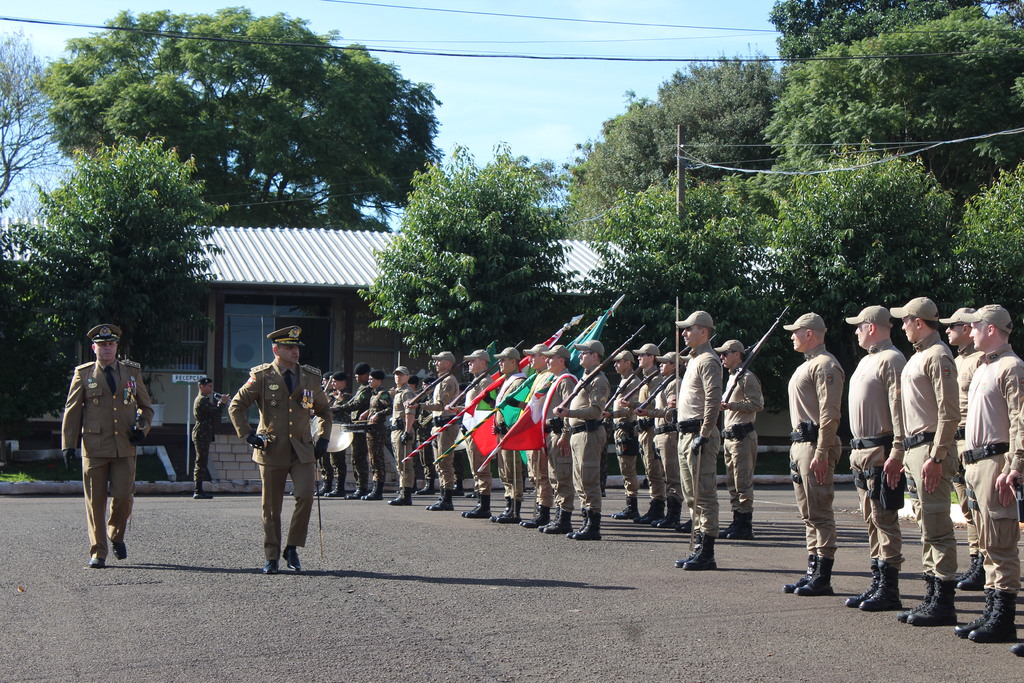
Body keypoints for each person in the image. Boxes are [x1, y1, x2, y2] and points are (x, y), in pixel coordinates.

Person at [228, 326, 330, 574]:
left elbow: (324, 411)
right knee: (272, 507)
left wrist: (323, 438)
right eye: (289, 347)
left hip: (303, 449)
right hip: (271, 447)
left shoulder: (310, 376)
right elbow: (236, 406)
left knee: (305, 495)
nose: (295, 351)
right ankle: (271, 555)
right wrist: (248, 434)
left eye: (297, 347)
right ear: (276, 349)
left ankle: (292, 546)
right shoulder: (262, 376)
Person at [891, 297, 960, 626]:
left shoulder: (938, 355)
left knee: (937, 527)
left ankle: (943, 602)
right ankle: (932, 594)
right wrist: (907, 453)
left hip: (932, 449)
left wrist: (936, 456)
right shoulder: (918, 357)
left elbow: (949, 413)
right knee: (925, 526)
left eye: (905, 321)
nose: (902, 327)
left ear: (918, 321)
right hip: (917, 449)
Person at [62, 324, 153, 569]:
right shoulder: (84, 374)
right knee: (95, 502)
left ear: (116, 347)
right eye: (102, 345)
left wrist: (142, 430)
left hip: (125, 446)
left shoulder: (131, 373)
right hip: (95, 447)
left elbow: (146, 407)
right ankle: (98, 551)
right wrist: (68, 445)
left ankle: (116, 534)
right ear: (94, 348)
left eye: (110, 344)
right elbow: (72, 412)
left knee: (123, 497)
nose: (106, 349)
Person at [958, 305, 1023, 645]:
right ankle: (991, 609)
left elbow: (1020, 422)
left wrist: (1015, 466)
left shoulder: (1011, 367)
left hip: (998, 464)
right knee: (986, 545)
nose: (970, 332)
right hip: (977, 465)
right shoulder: (986, 366)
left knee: (1001, 544)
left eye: (975, 327)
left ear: (992, 328)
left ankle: (1003, 619)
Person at [842, 307, 906, 611]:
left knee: (884, 519)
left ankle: (889, 589)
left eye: (858, 327)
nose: (855, 332)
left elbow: (899, 411)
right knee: (871, 520)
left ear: (871, 327)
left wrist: (897, 451)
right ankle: (877, 582)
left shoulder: (892, 359)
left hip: (881, 450)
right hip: (862, 451)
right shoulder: (868, 359)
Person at [781, 312, 844, 595]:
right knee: (808, 514)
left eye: (796, 331)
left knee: (820, 512)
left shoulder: (825, 365)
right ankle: (812, 570)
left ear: (809, 333)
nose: (792, 336)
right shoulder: (807, 365)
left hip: (814, 444)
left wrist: (822, 451)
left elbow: (830, 414)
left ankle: (823, 576)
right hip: (800, 445)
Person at [941, 308, 987, 591]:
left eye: (953, 325)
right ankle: (975, 561)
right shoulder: (956, 360)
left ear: (968, 328)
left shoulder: (981, 360)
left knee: (979, 507)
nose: (948, 330)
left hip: (973, 441)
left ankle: (984, 562)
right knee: (967, 506)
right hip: (955, 442)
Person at [674, 311, 723, 571]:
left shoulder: (708, 360)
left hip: (698, 434)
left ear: (703, 331)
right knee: (691, 496)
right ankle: (697, 547)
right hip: (686, 433)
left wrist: (704, 434)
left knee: (704, 494)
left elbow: (713, 401)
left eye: (688, 329)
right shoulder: (694, 359)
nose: (683, 333)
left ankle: (707, 552)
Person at [556, 340, 610, 540]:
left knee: (589, 478)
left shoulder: (599, 380)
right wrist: (567, 429)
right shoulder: (585, 377)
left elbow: (596, 411)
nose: (579, 357)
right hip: (577, 433)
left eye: (584, 353)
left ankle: (593, 525)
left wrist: (569, 412)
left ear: (595, 355)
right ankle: (585, 520)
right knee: (579, 479)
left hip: (589, 433)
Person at [716, 340, 764, 540]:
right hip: (730, 437)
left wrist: (731, 405)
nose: (722, 357)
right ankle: (737, 519)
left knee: (743, 481)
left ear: (737, 354)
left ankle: (745, 524)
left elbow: (757, 404)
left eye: (725, 354)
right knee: (732, 482)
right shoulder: (733, 377)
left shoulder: (747, 378)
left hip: (742, 435)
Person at [636, 352, 686, 531]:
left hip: (669, 434)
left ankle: (673, 515)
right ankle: (663, 512)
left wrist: (650, 413)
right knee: (662, 475)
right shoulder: (666, 383)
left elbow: (671, 411)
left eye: (665, 363)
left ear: (674, 365)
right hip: (660, 434)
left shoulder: (675, 383)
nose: (661, 365)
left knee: (672, 477)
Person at [538, 345, 578, 535]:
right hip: (551, 433)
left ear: (561, 360)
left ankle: (564, 519)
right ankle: (559, 515)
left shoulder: (566, 381)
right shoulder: (555, 380)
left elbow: (568, 411)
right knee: (554, 476)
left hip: (559, 433)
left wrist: (565, 434)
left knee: (562, 476)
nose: (547, 361)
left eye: (550, 358)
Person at [627, 343, 667, 525]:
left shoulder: (656, 379)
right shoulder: (646, 378)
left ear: (652, 357)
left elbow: (654, 407)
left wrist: (634, 406)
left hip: (651, 428)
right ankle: (655, 505)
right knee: (650, 470)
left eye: (642, 355)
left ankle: (658, 507)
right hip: (643, 429)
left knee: (655, 470)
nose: (639, 359)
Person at [414, 352, 460, 511]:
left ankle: (447, 498)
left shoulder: (448, 381)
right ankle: (442, 496)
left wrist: (421, 406)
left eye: (439, 361)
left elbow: (441, 405)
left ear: (448, 363)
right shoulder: (441, 380)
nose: (436, 364)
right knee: (439, 463)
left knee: (444, 463)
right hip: (437, 425)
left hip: (445, 425)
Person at [490, 347, 529, 524]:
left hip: (511, 432)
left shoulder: (519, 381)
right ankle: (508, 504)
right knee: (504, 470)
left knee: (513, 470)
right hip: (502, 431)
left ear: (514, 362)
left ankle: (515, 508)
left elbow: (515, 410)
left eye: (503, 360)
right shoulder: (506, 381)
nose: (500, 363)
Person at [520, 344, 555, 529]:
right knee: (534, 475)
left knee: (542, 475)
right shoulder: (537, 376)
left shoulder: (549, 377)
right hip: (532, 430)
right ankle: (541, 511)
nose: (530, 359)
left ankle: (545, 512)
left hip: (540, 431)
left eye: (534, 356)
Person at [608, 351, 642, 521]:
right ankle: (630, 504)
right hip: (619, 429)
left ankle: (632, 506)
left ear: (628, 363)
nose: (615, 365)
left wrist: (611, 415)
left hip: (627, 430)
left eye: (619, 362)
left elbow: (630, 408)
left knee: (628, 470)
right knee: (624, 469)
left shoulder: (633, 382)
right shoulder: (625, 381)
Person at [461, 349, 496, 519]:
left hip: (480, 429)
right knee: (476, 467)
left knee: (482, 467)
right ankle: (480, 502)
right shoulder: (476, 381)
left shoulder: (486, 382)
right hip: (471, 428)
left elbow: (488, 408)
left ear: (483, 362)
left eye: (472, 361)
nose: (469, 364)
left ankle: (484, 506)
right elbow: (473, 407)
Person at [332, 363, 372, 499]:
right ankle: (359, 487)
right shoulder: (361, 388)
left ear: (365, 375)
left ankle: (362, 488)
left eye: (358, 375)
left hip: (362, 428)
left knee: (360, 458)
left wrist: (338, 408)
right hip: (356, 427)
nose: (356, 378)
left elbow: (356, 404)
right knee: (356, 459)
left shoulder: (367, 389)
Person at [192, 377, 228, 500]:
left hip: (204, 433)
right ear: (202, 386)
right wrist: (222, 403)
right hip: (201, 433)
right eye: (209, 386)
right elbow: (214, 413)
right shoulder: (202, 400)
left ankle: (199, 489)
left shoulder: (204, 399)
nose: (211, 389)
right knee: (201, 461)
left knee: (202, 461)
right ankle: (198, 490)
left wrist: (220, 404)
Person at [361, 369, 392, 500]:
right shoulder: (374, 394)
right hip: (371, 429)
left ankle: (378, 490)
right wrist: (367, 412)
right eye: (369, 379)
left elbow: (389, 408)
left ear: (379, 380)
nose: (369, 381)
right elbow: (375, 407)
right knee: (373, 459)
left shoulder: (383, 393)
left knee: (377, 459)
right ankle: (375, 487)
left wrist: (377, 414)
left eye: (371, 379)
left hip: (378, 430)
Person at [388, 366, 417, 506]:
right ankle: (402, 491)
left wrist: (407, 431)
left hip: (402, 430)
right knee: (400, 463)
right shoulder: (398, 392)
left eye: (401, 375)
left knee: (405, 463)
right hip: (395, 430)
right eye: (396, 375)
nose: (398, 377)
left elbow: (410, 413)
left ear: (407, 377)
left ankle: (406, 494)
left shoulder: (407, 392)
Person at [322, 371, 350, 497]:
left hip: (340, 431)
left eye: (334, 381)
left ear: (342, 382)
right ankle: (327, 485)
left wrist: (338, 400)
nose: (332, 384)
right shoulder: (333, 396)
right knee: (330, 460)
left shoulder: (346, 396)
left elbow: (347, 407)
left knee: (338, 460)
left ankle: (339, 487)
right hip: (331, 430)